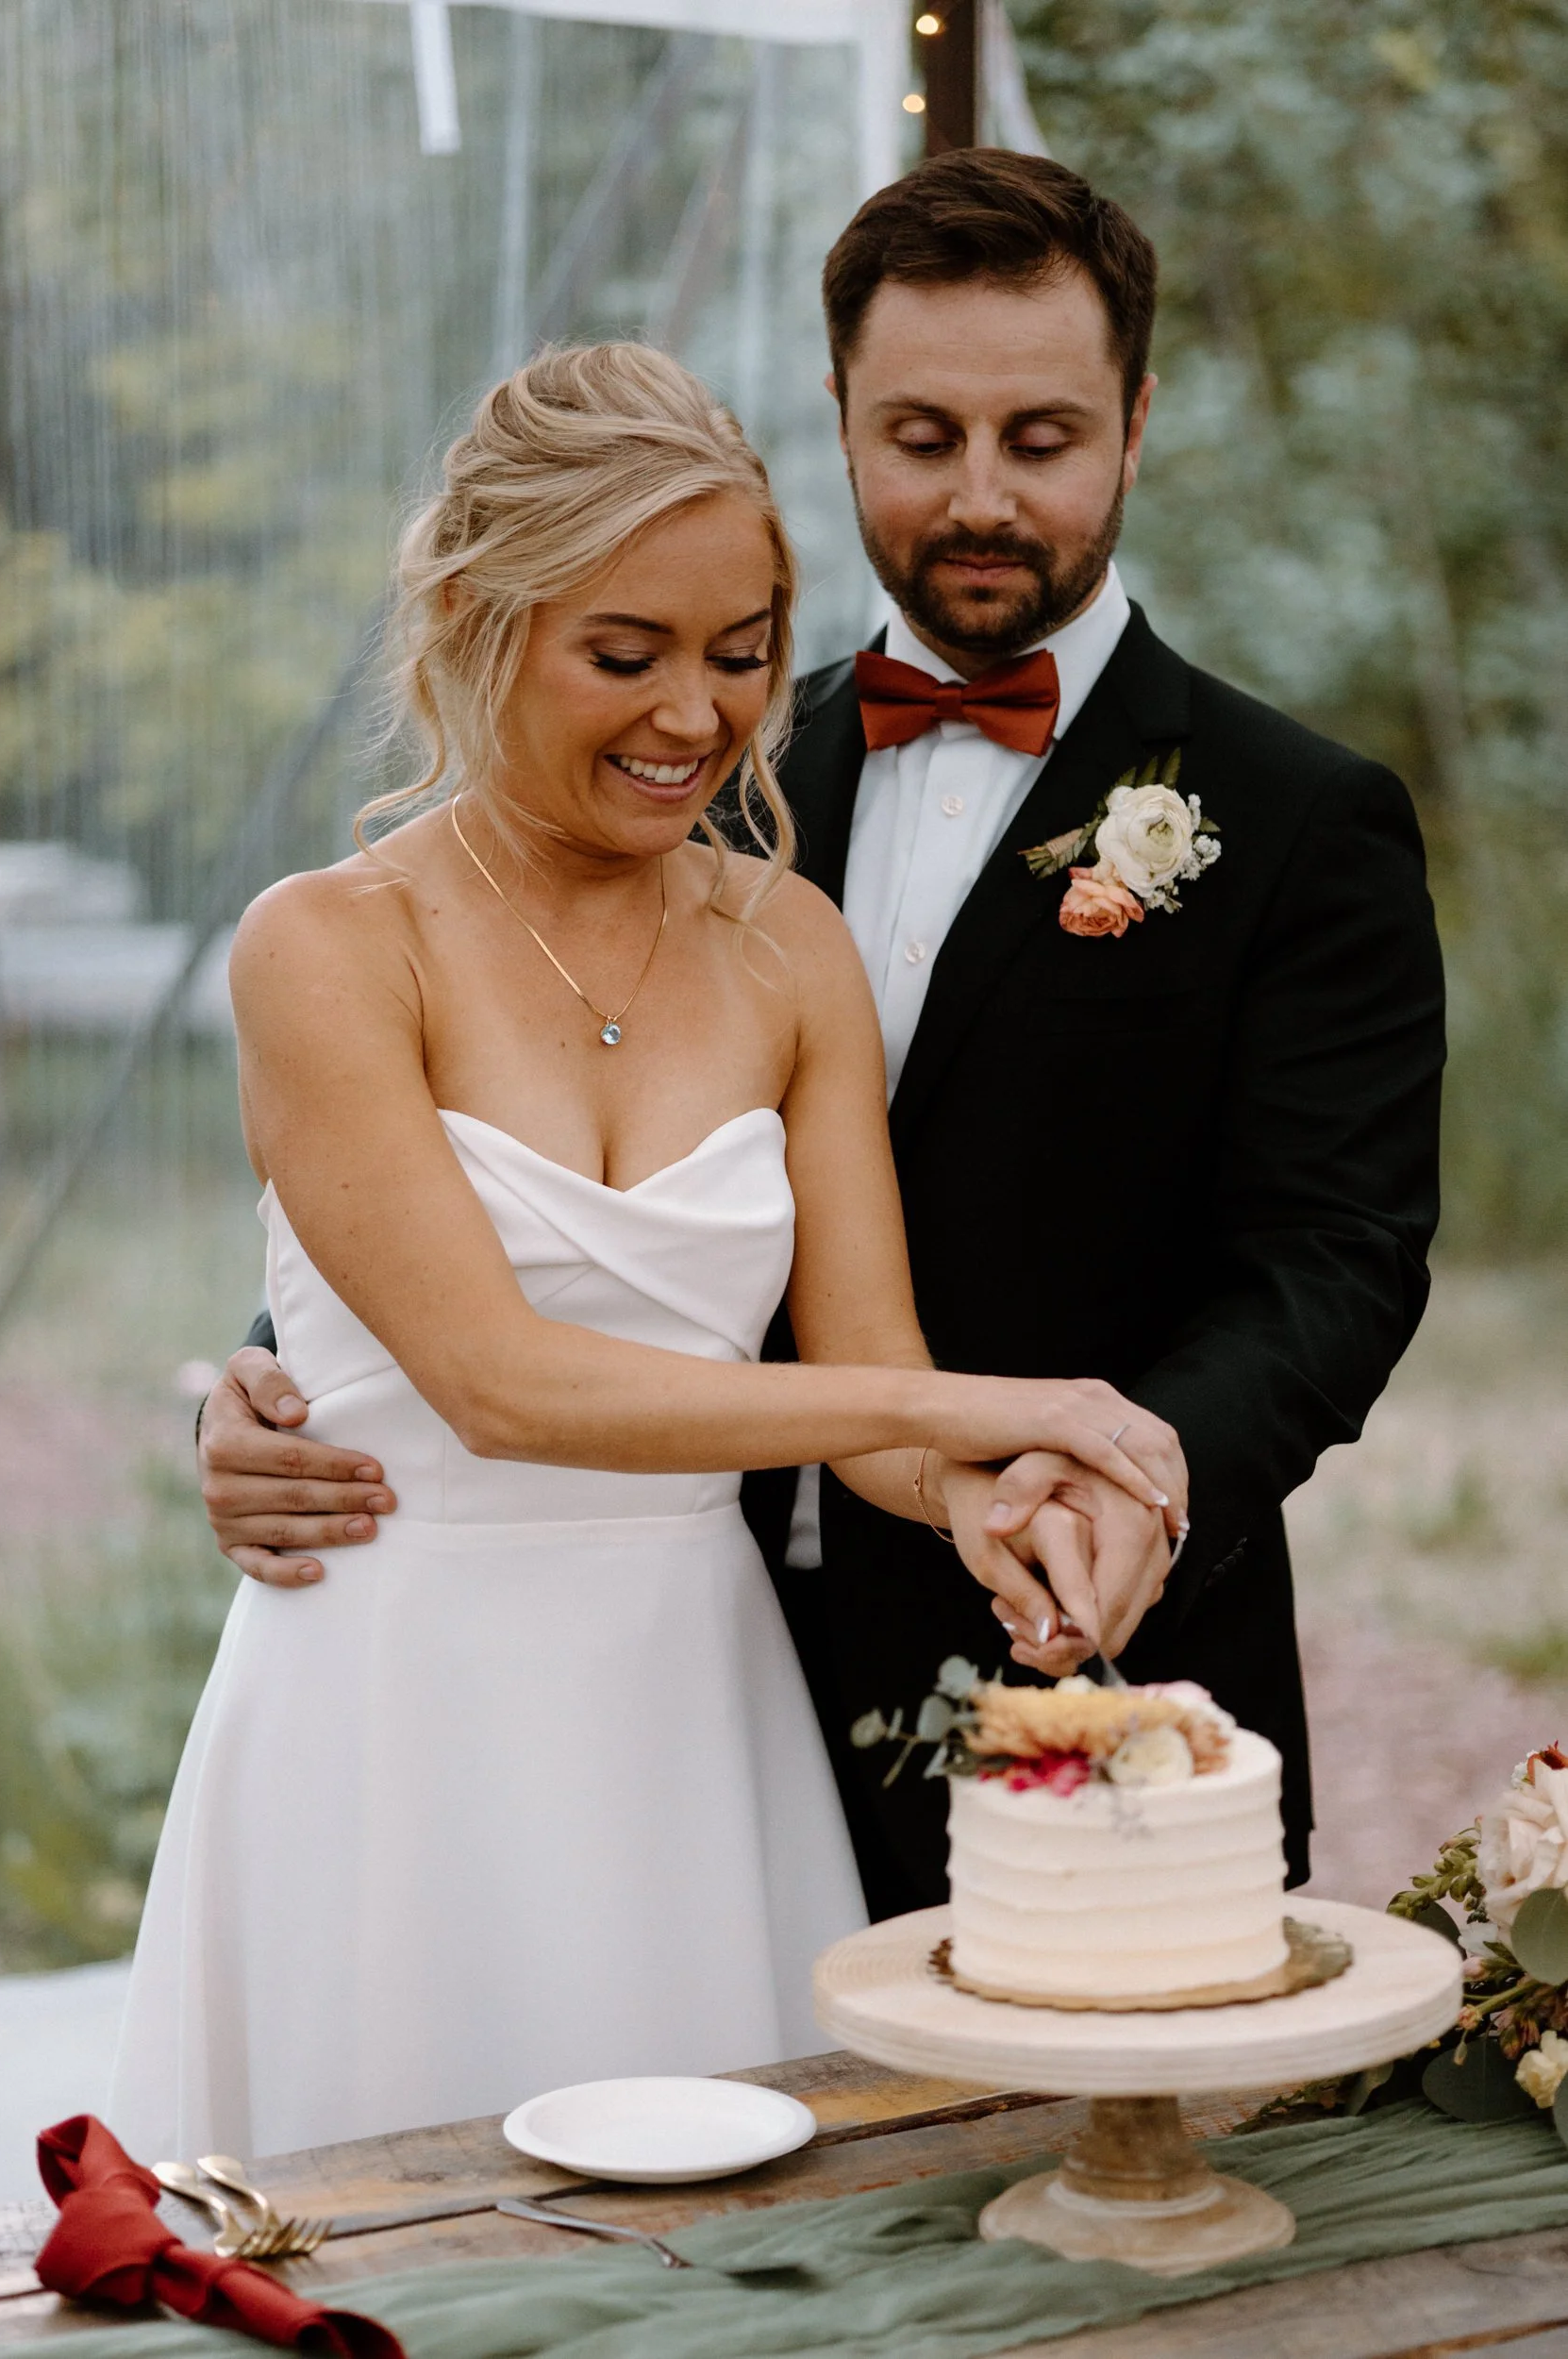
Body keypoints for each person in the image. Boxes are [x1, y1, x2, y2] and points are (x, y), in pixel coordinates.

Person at [196, 152, 1445, 1920]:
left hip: (1053, 1664)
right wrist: (280, 1379)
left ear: (1136, 425)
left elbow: (1333, 1257)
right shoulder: (688, 763)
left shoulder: (1298, 818)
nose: (982, 497)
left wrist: (1131, 1482)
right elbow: (487, 1164)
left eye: (1042, 437)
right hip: (653, 1665)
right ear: (844, 420)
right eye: (921, 436)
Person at [112, 342, 1179, 2160]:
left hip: (687, 1712)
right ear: (471, 616)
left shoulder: (791, 952)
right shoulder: (326, 948)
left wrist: (998, 1491)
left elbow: (867, 1411)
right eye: (626, 653)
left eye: (742, 649)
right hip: (388, 1712)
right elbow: (496, 1385)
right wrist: (1027, 1395)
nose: (698, 714)